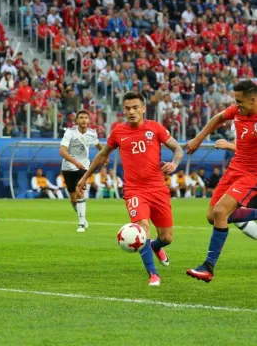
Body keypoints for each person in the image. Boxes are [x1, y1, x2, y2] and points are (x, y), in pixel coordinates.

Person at [77, 92, 184, 286]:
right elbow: (102, 156)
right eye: (127, 108)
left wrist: (175, 163)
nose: (131, 112)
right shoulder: (118, 132)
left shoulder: (155, 128)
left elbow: (177, 148)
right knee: (143, 228)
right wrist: (85, 177)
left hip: (158, 188)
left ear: (143, 109)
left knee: (166, 238)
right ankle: (153, 274)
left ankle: (156, 246)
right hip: (134, 190)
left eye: (135, 107)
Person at [185, 80, 257, 282]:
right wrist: (199, 139)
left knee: (220, 212)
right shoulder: (238, 110)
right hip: (235, 169)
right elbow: (218, 118)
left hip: (252, 174)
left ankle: (208, 267)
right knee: (212, 216)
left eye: (240, 101)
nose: (236, 105)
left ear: (253, 100)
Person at [59, 110, 102, 233]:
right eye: (81, 118)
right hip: (68, 168)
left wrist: (106, 155)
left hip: (83, 168)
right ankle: (82, 217)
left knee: (80, 192)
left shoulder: (92, 134)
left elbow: (98, 145)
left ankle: (81, 224)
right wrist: (75, 162)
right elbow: (62, 151)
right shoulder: (70, 133)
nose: (84, 120)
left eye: (86, 118)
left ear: (89, 120)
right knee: (73, 199)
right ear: (76, 120)